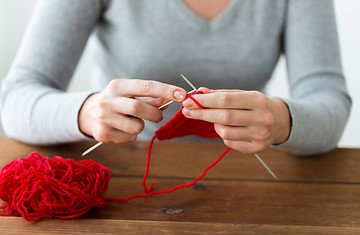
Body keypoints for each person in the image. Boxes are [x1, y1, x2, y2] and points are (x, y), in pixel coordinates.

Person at [0, 0, 351, 156]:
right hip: (125, 172)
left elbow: (328, 98)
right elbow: (15, 99)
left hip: (252, 179)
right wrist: (86, 111)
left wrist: (283, 121)